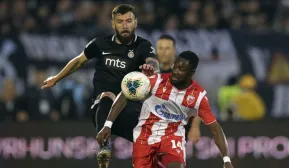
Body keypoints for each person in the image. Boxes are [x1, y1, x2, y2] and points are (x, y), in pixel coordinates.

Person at [41, 4, 159, 168]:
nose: (125, 26)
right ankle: (104, 149)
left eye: (128, 21)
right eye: (120, 21)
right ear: (113, 24)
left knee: (153, 148)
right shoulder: (100, 43)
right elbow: (78, 61)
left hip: (129, 109)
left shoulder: (143, 46)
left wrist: (151, 70)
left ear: (135, 23)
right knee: (106, 96)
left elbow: (153, 64)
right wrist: (57, 78)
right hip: (102, 109)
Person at [97, 51, 234, 168]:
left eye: (182, 69)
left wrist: (226, 159)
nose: (176, 71)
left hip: (172, 136)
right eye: (175, 66)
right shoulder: (155, 81)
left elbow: (215, 128)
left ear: (191, 73)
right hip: (145, 136)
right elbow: (125, 93)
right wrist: (108, 124)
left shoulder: (198, 95)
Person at [156, 34, 201, 143]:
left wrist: (195, 127)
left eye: (167, 48)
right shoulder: (150, 72)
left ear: (174, 50)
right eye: (160, 48)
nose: (163, 52)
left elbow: (198, 102)